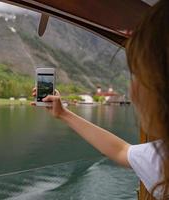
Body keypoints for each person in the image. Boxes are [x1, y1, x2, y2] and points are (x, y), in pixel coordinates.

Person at [32, 0, 169, 199]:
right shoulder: (162, 156)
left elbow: (122, 151)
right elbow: (122, 151)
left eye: (139, 74)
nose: (132, 90)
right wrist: (63, 114)